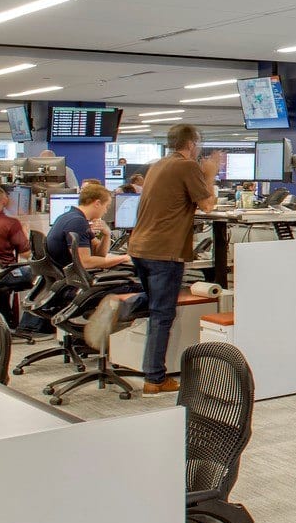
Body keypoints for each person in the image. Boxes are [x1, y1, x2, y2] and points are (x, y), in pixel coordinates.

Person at [84, 124, 222, 395]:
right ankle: (155, 378)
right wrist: (210, 174)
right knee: (162, 313)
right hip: (164, 250)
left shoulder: (157, 165)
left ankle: (120, 307)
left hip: (140, 248)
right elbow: (208, 204)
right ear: (192, 144)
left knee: (154, 300)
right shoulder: (187, 167)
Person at [46, 183, 128, 272]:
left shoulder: (70, 217)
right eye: (106, 206)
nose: (105, 211)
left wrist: (106, 234)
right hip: (72, 280)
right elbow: (85, 262)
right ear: (97, 203)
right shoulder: (77, 222)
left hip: (67, 276)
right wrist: (125, 258)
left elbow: (99, 254)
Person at [0, 184, 33, 327]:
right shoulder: (11, 223)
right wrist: (25, 235)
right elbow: (26, 254)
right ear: (4, 200)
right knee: (43, 273)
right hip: (5, 271)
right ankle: (31, 323)